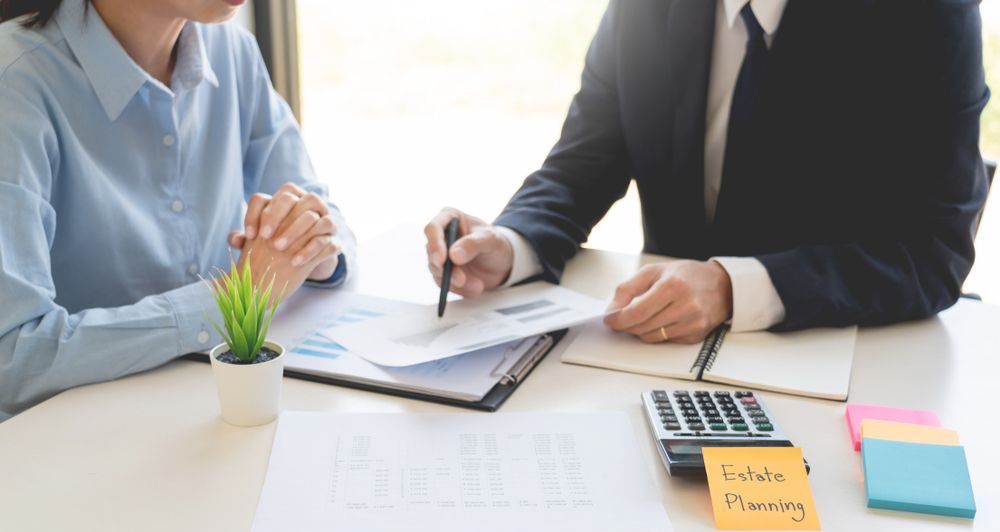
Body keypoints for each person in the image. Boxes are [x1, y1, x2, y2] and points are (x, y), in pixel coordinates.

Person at [426, 0, 990, 345]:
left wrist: (731, 287)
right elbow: (585, 158)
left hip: (840, 359)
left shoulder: (926, 11)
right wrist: (511, 242)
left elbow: (932, 253)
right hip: (655, 359)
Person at [0, 0, 355, 420]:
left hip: (217, 412)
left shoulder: (233, 50)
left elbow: (320, 214)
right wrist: (236, 297)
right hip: (78, 442)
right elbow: (14, 357)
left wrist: (309, 248)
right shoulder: (15, 84)